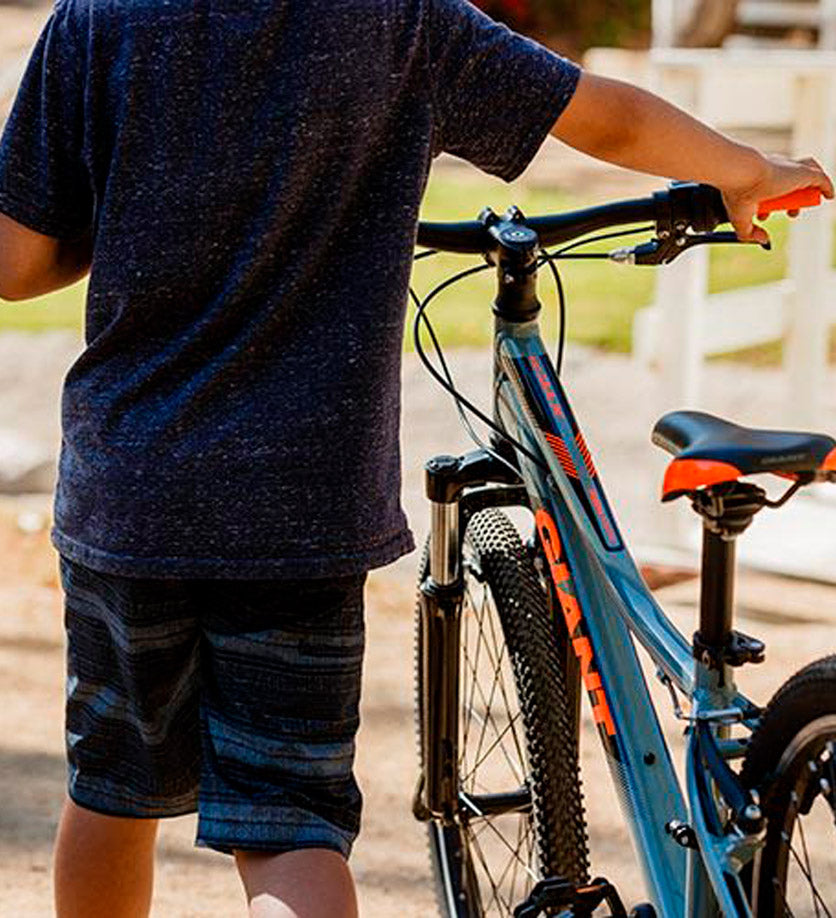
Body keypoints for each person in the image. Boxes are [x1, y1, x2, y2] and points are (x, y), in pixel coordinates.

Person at [0, 0, 831, 916]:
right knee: (289, 831)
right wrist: (748, 170)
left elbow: (14, 259)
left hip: (135, 494)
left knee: (114, 793)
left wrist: (122, 223)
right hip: (302, 506)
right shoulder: (395, 19)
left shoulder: (99, 20)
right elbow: (608, 115)